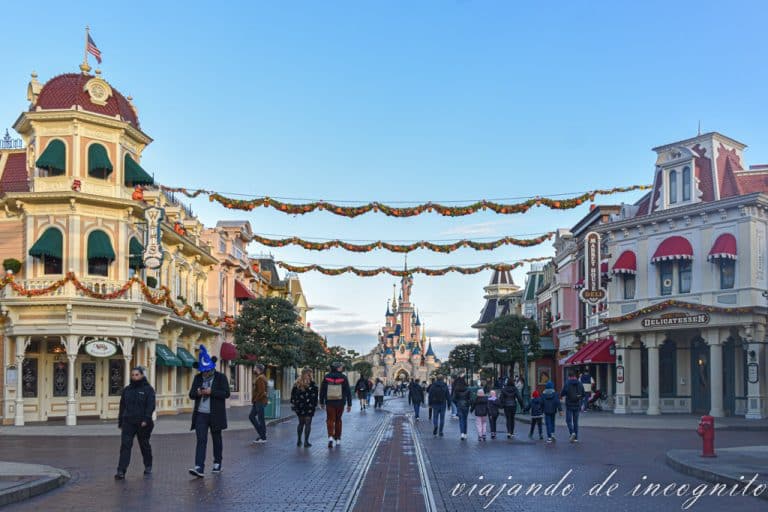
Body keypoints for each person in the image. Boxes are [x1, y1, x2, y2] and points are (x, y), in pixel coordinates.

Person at [188, 345, 230, 478]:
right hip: (201, 414)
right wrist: (199, 392)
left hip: (216, 414)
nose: (205, 374)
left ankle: (217, 463)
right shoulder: (198, 378)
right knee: (201, 440)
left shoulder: (221, 377)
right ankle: (199, 467)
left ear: (212, 368)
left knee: (216, 439)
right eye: (203, 371)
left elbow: (226, 393)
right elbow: (191, 394)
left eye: (207, 371)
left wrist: (212, 392)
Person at [115, 366, 155, 480]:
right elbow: (122, 406)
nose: (134, 377)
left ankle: (148, 465)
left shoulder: (148, 389)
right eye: (133, 375)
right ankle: (121, 470)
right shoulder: (127, 390)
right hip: (128, 422)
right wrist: (121, 422)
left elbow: (150, 406)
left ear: (142, 375)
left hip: (143, 423)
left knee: (144, 445)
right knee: (125, 446)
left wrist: (146, 419)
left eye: (137, 375)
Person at [319, 361, 352, 448]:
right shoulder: (343, 377)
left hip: (329, 402)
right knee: (338, 420)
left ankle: (330, 437)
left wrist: (321, 402)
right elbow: (348, 391)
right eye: (341, 367)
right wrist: (349, 404)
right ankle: (337, 439)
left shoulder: (327, 377)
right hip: (340, 402)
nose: (342, 368)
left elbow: (322, 391)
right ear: (338, 368)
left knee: (330, 420)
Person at [291, 367, 319, 447]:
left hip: (300, 406)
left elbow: (292, 395)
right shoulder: (313, 384)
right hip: (309, 406)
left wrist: (293, 404)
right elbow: (315, 395)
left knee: (301, 423)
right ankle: (306, 442)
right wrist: (315, 404)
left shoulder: (297, 383)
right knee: (308, 423)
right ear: (309, 374)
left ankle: (299, 440)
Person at [560, 371, 585, 443]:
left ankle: (572, 432)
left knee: (568, 420)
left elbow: (563, 392)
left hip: (569, 405)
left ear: (569, 377)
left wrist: (561, 396)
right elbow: (583, 394)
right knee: (575, 422)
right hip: (577, 405)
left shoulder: (567, 383)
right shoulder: (580, 384)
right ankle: (576, 438)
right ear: (575, 376)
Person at [250, 364, 268, 444]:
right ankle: (262, 433)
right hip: (258, 401)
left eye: (254, 368)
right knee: (252, 416)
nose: (253, 369)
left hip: (259, 401)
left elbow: (261, 392)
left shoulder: (260, 378)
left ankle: (263, 436)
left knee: (260, 419)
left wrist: (256, 400)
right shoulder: (261, 377)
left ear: (258, 369)